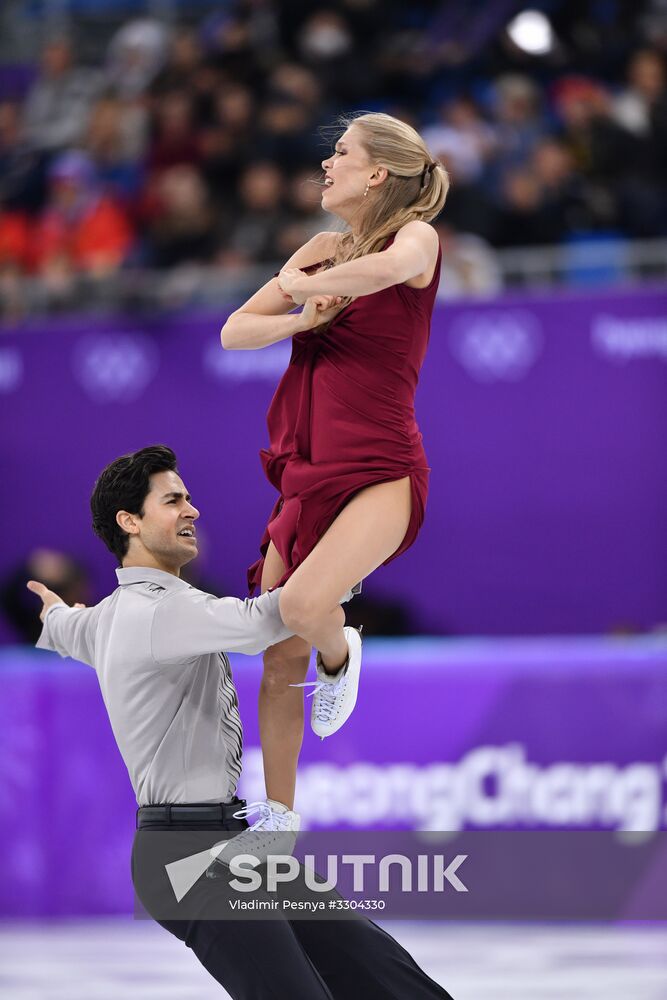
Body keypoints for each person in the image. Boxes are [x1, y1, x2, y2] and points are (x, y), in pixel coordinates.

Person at [28, 444, 453, 1000]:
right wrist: (347, 554)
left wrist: (54, 614)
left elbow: (63, 629)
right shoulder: (162, 612)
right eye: (172, 499)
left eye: (189, 497)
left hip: (225, 841)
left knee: (382, 973)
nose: (192, 510)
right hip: (187, 857)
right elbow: (273, 619)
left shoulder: (108, 618)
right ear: (129, 522)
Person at [220, 111, 448, 842]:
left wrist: (301, 282)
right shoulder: (317, 250)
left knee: (299, 611)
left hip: (379, 466)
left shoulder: (415, 239)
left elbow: (385, 271)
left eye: (340, 153)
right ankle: (277, 818)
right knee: (276, 649)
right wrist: (297, 316)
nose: (326, 165)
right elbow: (234, 330)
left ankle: (341, 650)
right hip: (305, 467)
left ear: (377, 172)